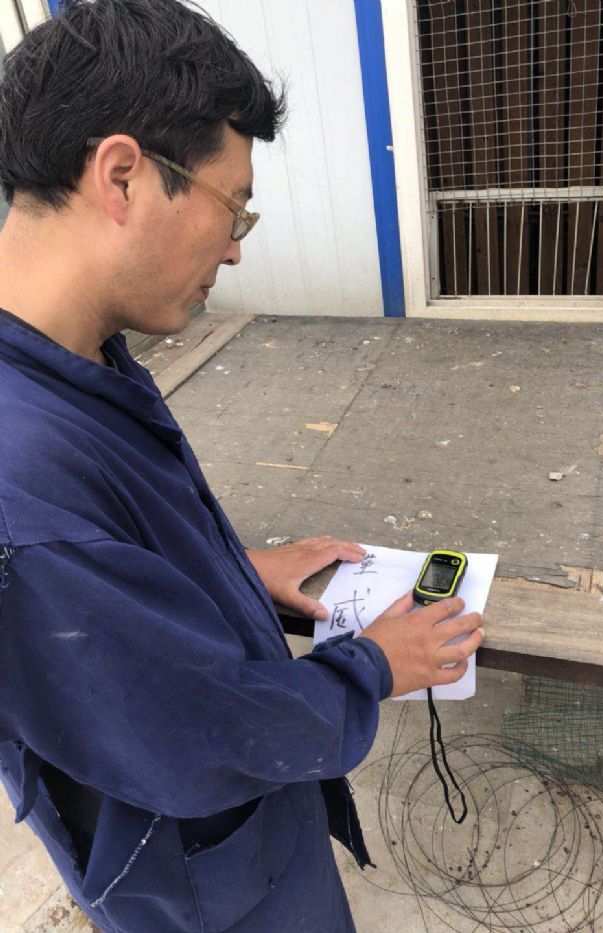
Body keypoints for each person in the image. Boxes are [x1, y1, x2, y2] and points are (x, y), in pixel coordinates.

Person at [0, 2, 485, 930]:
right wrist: (374, 666)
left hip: (242, 852)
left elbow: (108, 571)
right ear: (123, 177)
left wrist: (229, 572)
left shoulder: (73, 356)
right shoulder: (21, 495)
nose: (232, 245)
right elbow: (202, 730)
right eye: (233, 206)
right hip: (201, 892)